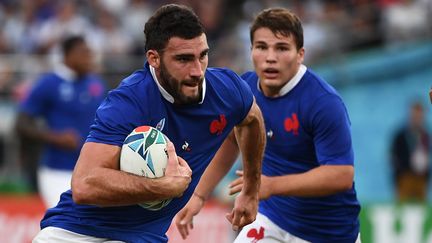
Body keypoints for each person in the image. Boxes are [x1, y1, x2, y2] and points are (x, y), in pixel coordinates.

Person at [32, 4, 265, 243]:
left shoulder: (227, 90)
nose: (197, 71)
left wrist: (251, 187)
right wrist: (164, 187)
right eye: (183, 59)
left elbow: (252, 119)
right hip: (76, 233)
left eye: (202, 55)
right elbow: (84, 185)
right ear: (154, 58)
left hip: (144, 237)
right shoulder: (129, 101)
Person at [175, 7, 361, 243]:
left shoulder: (323, 102)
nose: (270, 57)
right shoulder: (245, 90)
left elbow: (341, 175)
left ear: (300, 54)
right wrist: (199, 195)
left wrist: (270, 185)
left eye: (282, 48)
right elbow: (231, 139)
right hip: (271, 219)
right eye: (262, 47)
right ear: (251, 51)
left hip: (328, 232)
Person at [15, 35, 106, 208]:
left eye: (90, 53)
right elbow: (21, 123)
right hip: (57, 169)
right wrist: (55, 137)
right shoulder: (49, 83)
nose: (89, 58)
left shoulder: (96, 84)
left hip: (92, 170)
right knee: (64, 225)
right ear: (67, 55)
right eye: (83, 53)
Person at [390, 101, 430, 202]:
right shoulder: (400, 136)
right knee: (403, 208)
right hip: (405, 178)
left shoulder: (425, 136)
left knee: (421, 210)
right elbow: (393, 156)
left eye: (419, 115)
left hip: (421, 179)